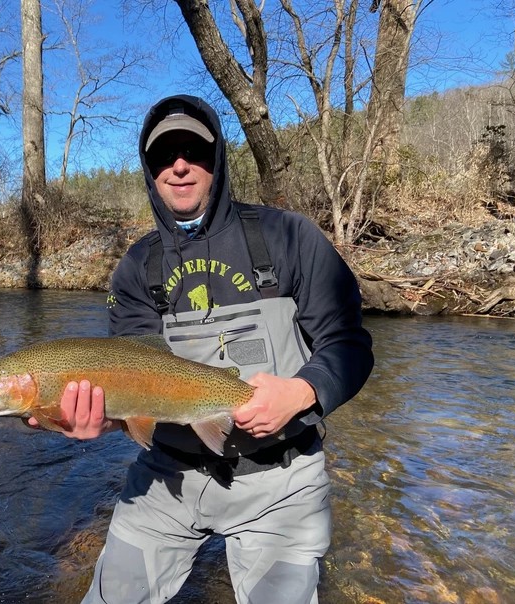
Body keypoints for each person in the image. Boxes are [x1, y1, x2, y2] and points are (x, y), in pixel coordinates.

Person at [30, 95, 374, 603]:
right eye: (165, 155)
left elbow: (350, 344)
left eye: (194, 149)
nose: (180, 165)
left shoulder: (288, 237)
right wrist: (100, 420)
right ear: (149, 170)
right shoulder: (136, 269)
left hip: (282, 481)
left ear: (218, 159)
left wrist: (301, 392)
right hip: (167, 478)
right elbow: (133, 379)